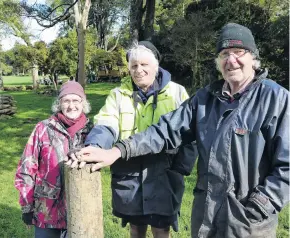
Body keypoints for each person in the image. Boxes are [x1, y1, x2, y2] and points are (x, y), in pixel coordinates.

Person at [71, 23, 289, 237]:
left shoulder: (276, 99)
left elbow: (287, 165)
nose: (231, 60)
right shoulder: (206, 99)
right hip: (206, 218)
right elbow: (164, 130)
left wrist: (260, 205)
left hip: (248, 223)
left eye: (238, 52)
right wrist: (116, 151)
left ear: (253, 57)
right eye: (224, 54)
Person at [68, 41, 197, 238]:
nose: (139, 70)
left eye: (144, 65)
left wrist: (179, 168)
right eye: (134, 66)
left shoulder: (176, 92)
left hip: (164, 174)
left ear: (156, 66)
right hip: (129, 172)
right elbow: (106, 123)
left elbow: (190, 135)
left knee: (162, 229)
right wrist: (94, 146)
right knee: (136, 228)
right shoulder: (118, 95)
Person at [15, 81, 92, 238]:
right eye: (66, 101)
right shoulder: (43, 129)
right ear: (59, 104)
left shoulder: (92, 132)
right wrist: (27, 206)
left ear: (83, 103)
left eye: (76, 100)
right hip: (46, 212)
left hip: (81, 209)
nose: (71, 106)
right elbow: (26, 168)